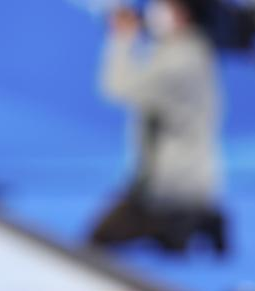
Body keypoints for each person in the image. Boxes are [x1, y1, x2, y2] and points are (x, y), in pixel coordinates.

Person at [89, 0, 225, 253]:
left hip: (172, 186)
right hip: (169, 179)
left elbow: (117, 87)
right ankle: (200, 221)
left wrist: (122, 38)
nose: (154, 11)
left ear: (185, 15)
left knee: (101, 238)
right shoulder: (181, 50)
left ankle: (196, 221)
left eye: (164, 6)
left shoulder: (182, 59)